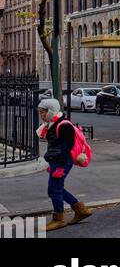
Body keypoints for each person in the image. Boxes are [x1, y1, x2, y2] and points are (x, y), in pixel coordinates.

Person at [38, 98, 93, 231]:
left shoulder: (64, 125)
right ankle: (80, 210)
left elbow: (66, 147)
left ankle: (59, 219)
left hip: (62, 161)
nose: (41, 115)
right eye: (40, 112)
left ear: (51, 111)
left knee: (53, 190)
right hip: (57, 160)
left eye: (43, 112)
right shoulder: (52, 123)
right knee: (57, 189)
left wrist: (60, 167)